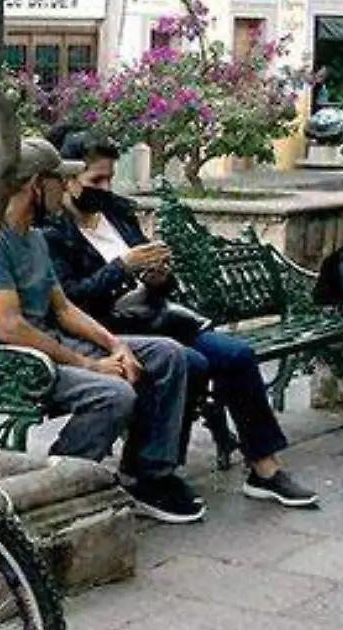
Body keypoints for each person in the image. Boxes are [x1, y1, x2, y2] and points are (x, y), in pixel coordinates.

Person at [0, 138, 206, 523]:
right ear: (35, 185)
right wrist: (92, 365)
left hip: (46, 346)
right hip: (4, 362)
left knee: (167, 354)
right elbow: (11, 328)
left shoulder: (32, 235)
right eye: (60, 181)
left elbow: (62, 308)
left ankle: (147, 476)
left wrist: (114, 344)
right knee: (113, 393)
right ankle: (56, 482)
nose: (65, 188)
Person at [41, 133, 318, 508]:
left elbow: (157, 276)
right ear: (70, 179)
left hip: (155, 319)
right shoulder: (53, 232)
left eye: (109, 178)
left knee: (236, 355)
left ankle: (265, 468)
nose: (105, 188)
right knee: (189, 362)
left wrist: (158, 275)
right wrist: (121, 267)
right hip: (107, 329)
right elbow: (71, 299)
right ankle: (149, 472)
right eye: (96, 181)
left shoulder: (117, 214)